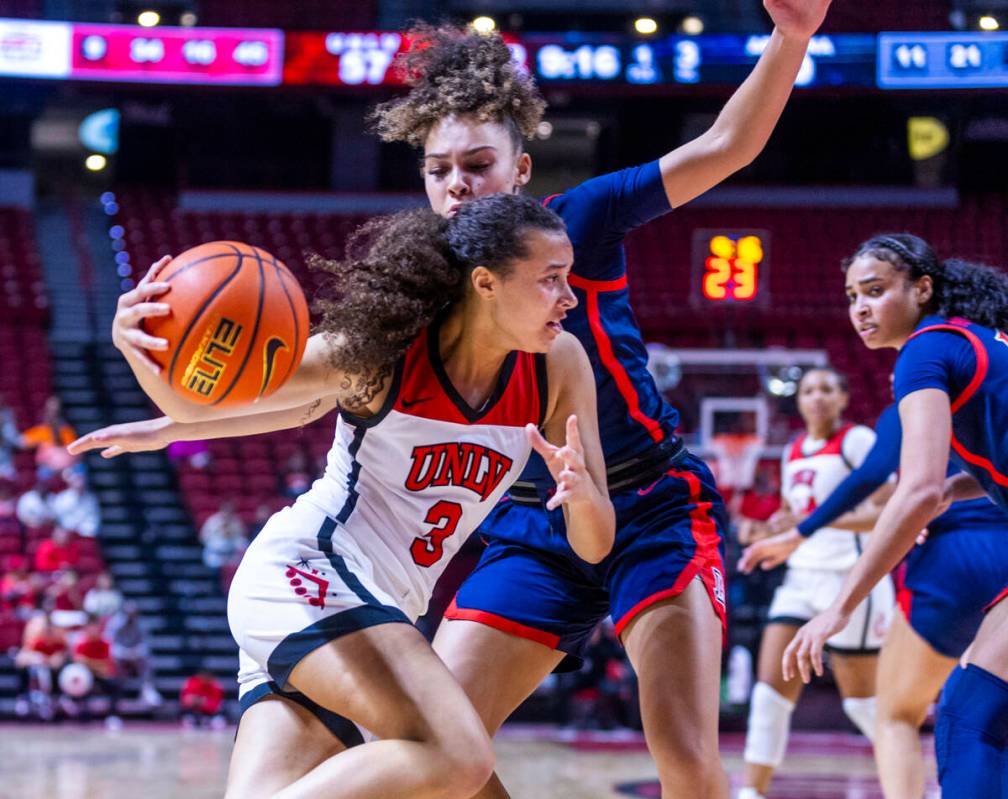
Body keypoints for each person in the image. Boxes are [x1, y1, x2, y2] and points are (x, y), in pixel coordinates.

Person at [368, 9, 830, 797]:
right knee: (433, 747)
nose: (457, 184)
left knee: (683, 756)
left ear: (519, 170)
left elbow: (727, 146)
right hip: (533, 523)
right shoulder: (423, 286)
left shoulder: (579, 218)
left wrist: (790, 39)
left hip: (649, 505)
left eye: (477, 163)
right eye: (439, 169)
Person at [70, 192, 614, 799]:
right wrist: (138, 354)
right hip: (310, 576)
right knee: (460, 758)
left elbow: (594, 545)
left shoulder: (559, 365)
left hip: (373, 614)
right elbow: (208, 400)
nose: (570, 297)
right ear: (486, 283)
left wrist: (582, 495)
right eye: (551, 279)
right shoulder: (383, 354)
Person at [742, 233, 1008, 797]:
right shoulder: (979, 340)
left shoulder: (925, 350)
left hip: (931, 561)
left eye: (875, 291)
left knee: (964, 718)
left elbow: (909, 488)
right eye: (851, 296)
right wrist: (958, 488)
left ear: (923, 289)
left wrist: (839, 607)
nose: (859, 308)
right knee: (975, 711)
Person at [737, 368, 892, 799]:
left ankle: (914, 775)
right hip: (801, 577)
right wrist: (765, 529)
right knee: (768, 694)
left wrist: (818, 521)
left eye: (827, 388)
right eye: (809, 390)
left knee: (863, 703)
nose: (817, 397)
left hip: (851, 579)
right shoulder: (792, 452)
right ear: (799, 401)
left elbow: (893, 511)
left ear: (843, 398)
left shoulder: (857, 441)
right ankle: (751, 792)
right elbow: (793, 515)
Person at [20, 396, 77, 479]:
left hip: (66, 467)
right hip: (46, 468)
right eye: (51, 411)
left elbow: (75, 453)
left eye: (56, 411)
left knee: (77, 475)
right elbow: (22, 442)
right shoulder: (41, 430)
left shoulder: (67, 431)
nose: (53, 414)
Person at [51, 465, 101, 538]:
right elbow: (58, 518)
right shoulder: (62, 498)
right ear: (71, 483)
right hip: (67, 533)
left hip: (85, 533)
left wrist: (86, 530)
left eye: (81, 480)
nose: (79, 484)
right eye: (76, 480)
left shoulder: (91, 499)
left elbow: (94, 518)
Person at [199, 501, 249, 570]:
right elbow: (203, 537)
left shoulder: (236, 521)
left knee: (243, 543)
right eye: (225, 510)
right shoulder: (213, 520)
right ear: (221, 510)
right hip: (216, 554)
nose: (227, 512)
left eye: (229, 510)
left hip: (232, 554)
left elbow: (243, 536)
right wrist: (219, 532)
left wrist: (231, 532)